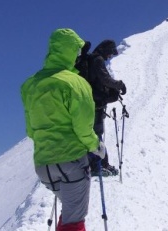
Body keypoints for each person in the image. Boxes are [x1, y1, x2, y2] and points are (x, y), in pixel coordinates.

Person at [21, 28, 106, 231]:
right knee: (74, 220)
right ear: (70, 51)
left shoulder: (30, 85)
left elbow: (31, 130)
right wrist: (96, 146)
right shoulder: (76, 83)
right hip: (71, 161)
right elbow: (83, 127)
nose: (79, 55)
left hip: (43, 165)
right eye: (77, 51)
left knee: (69, 212)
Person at [85, 39, 127, 176]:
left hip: (88, 103)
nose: (110, 57)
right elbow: (105, 79)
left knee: (94, 133)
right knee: (96, 134)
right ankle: (97, 165)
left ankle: (98, 163)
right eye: (110, 54)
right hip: (95, 104)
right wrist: (119, 85)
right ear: (105, 50)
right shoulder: (97, 60)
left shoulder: (90, 61)